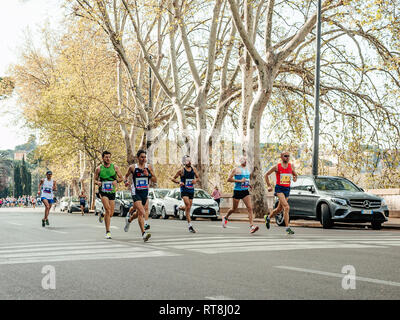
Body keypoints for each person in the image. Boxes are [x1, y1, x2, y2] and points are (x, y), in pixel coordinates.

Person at [123, 150, 157, 242]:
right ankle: (144, 234)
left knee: (138, 213)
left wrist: (148, 175)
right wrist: (126, 182)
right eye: (142, 157)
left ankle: (129, 220)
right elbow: (125, 176)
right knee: (142, 212)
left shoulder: (148, 167)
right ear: (138, 158)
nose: (144, 159)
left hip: (144, 193)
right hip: (136, 192)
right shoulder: (133, 167)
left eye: (145, 157)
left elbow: (155, 179)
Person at [222, 156, 259, 234]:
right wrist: (239, 181)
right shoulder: (236, 169)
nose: (246, 162)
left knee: (250, 208)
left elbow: (246, 179)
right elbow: (228, 179)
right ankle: (225, 217)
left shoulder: (247, 170)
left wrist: (248, 185)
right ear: (242, 161)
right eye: (245, 161)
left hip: (245, 191)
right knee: (234, 209)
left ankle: (252, 226)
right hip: (237, 191)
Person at [264, 152, 298, 235]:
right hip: (279, 189)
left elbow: (295, 175)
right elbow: (266, 175)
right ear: (281, 157)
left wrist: (294, 178)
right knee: (286, 207)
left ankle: (268, 217)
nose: (287, 157)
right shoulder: (277, 167)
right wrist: (269, 186)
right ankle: (287, 228)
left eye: (288, 156)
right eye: (285, 156)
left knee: (279, 209)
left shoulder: (291, 166)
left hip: (287, 189)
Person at [94, 151, 124, 239]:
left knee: (111, 213)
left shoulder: (115, 167)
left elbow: (121, 178)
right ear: (103, 158)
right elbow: (95, 180)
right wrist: (98, 182)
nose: (108, 159)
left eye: (109, 157)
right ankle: (108, 232)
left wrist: (116, 181)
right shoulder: (99, 168)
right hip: (103, 191)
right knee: (107, 209)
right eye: (106, 157)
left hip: (112, 191)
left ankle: (102, 215)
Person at [171, 155, 200, 233]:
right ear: (184, 162)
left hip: (191, 190)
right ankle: (190, 226)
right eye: (187, 160)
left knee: (188, 207)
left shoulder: (193, 169)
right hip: (184, 190)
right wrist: (179, 182)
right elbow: (173, 178)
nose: (189, 162)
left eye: (190, 160)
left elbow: (197, 177)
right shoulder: (181, 171)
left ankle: (177, 208)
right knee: (187, 205)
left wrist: (195, 180)